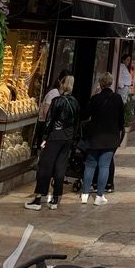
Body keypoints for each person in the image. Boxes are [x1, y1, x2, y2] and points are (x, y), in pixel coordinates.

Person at [25, 75, 80, 210]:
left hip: (55, 136)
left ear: (62, 84)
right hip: (68, 137)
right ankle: (56, 198)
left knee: (45, 166)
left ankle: (38, 198)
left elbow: (50, 121)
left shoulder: (57, 101)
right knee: (60, 167)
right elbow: (77, 122)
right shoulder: (75, 102)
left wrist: (45, 137)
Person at [81, 71, 125, 205]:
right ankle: (99, 195)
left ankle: (85, 194)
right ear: (111, 83)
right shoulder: (117, 98)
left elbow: (85, 114)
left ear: (100, 84)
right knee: (104, 166)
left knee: (90, 165)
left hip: (95, 137)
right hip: (110, 137)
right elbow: (121, 120)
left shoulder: (96, 99)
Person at [34, 69, 68, 150]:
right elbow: (46, 111)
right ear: (60, 82)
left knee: (44, 146)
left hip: (48, 125)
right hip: (44, 125)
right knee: (43, 145)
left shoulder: (58, 94)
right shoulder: (54, 93)